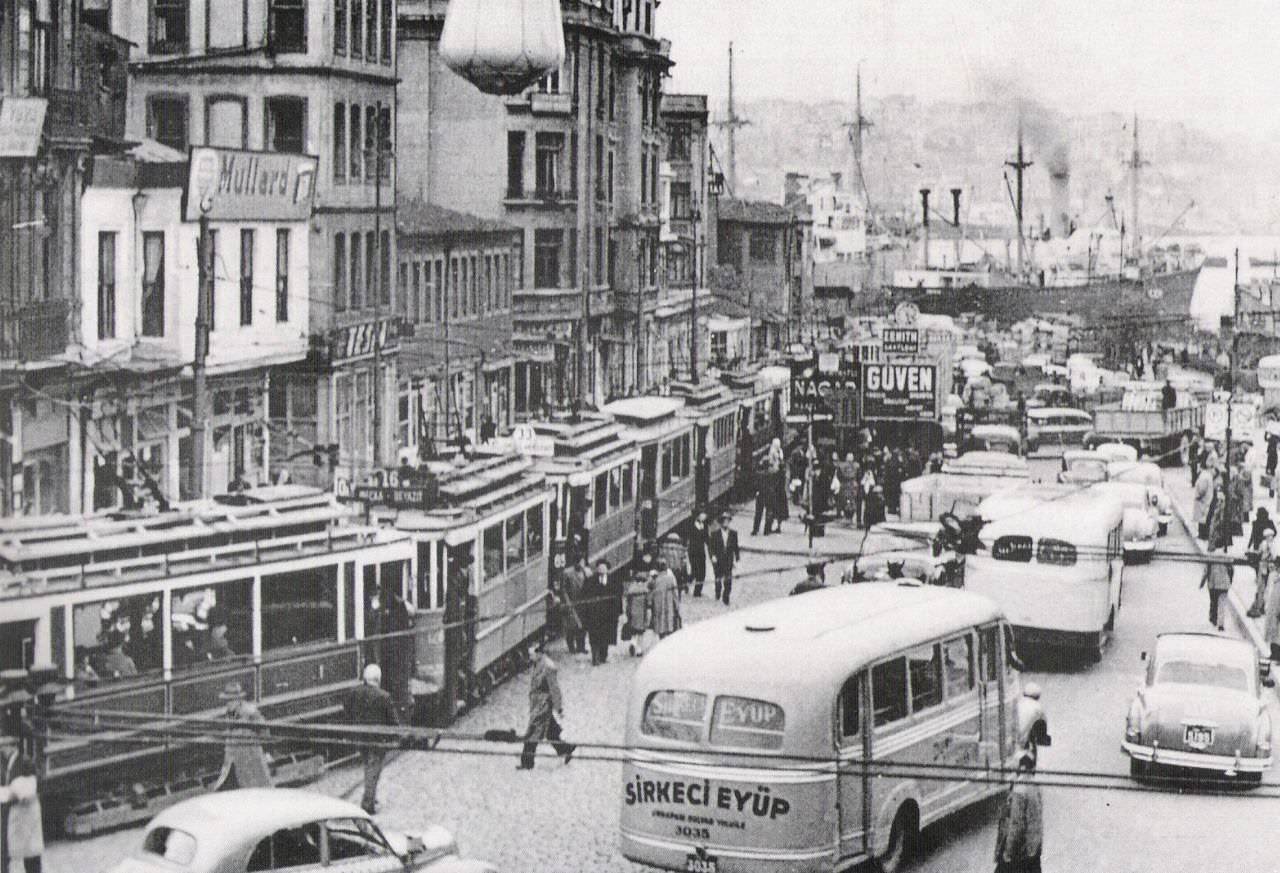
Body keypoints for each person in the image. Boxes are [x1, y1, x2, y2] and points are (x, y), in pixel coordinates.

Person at [342, 663, 398, 814]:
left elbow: (346, 709)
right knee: (373, 770)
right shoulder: (384, 696)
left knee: (368, 766)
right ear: (378, 679)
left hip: (360, 738)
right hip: (377, 741)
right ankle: (368, 804)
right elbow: (393, 721)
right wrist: (395, 736)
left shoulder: (354, 692)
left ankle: (371, 796)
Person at [517, 640, 574, 770]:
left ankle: (527, 763)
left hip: (543, 705)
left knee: (533, 732)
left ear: (539, 653)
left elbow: (555, 689)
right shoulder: (539, 664)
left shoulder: (548, 667)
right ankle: (566, 749)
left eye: (531, 654)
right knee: (550, 731)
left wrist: (558, 708)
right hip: (538, 704)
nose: (529, 657)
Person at [212, 681, 272, 792]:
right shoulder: (230, 714)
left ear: (238, 700)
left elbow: (264, 730)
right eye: (226, 701)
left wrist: (267, 752)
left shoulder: (250, 712)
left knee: (259, 790)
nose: (228, 703)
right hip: (234, 759)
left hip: (252, 758)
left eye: (231, 700)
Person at [0, 729, 43, 873]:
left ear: (12, 746)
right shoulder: (10, 763)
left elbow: (29, 788)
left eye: (4, 746)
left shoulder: (24, 762)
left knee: (31, 856)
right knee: (23, 852)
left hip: (27, 815)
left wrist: (10, 792)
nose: (2, 750)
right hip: (18, 816)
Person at [994, 752, 1043, 873]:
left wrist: (1008, 853)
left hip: (1020, 852)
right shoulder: (1035, 787)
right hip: (1033, 848)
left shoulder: (1019, 790)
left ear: (1022, 768)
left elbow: (1016, 824)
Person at [583, 560, 620, 665]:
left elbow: (617, 597)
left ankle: (603, 655)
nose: (601, 570)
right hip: (594, 615)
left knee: (606, 636)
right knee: (594, 636)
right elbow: (585, 596)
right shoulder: (590, 581)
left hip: (608, 615)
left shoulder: (613, 581)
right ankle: (595, 657)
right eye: (599, 568)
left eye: (604, 568)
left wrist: (617, 612)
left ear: (607, 569)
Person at [709, 511, 741, 606]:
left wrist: (738, 558)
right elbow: (711, 547)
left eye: (727, 521)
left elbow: (736, 547)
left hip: (728, 560)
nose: (726, 523)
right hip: (718, 561)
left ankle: (726, 597)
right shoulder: (715, 534)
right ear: (721, 522)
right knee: (718, 579)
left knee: (728, 580)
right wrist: (712, 556)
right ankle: (717, 593)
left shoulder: (733, 534)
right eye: (724, 521)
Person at [1200, 544, 1234, 632]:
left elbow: (1206, 571)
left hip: (1213, 584)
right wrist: (1230, 581)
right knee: (1222, 604)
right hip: (1224, 585)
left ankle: (1213, 618)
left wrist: (1202, 583)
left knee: (1213, 602)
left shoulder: (1211, 557)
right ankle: (1221, 624)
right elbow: (1231, 570)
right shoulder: (1227, 557)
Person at [558, 560, 587, 655]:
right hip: (570, 603)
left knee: (582, 625)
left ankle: (581, 647)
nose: (581, 564)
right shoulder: (567, 573)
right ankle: (571, 647)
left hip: (582, 602)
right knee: (570, 626)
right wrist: (567, 602)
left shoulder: (585, 571)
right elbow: (563, 589)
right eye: (579, 562)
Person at [648, 561, 681, 638]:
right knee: (669, 624)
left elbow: (650, 592)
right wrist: (677, 605)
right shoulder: (670, 579)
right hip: (669, 606)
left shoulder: (656, 580)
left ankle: (661, 639)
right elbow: (675, 594)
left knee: (660, 627)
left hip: (658, 606)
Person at [1250, 527, 1276, 619]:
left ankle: (1259, 606)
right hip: (1267, 567)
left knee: (1261, 588)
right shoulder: (1269, 544)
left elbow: (1260, 553)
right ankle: (1260, 607)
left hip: (1263, 566)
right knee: (1264, 589)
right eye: (1270, 536)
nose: (1272, 537)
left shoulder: (1264, 544)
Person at [687, 510, 710, 597]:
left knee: (702, 573)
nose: (705, 516)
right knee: (695, 572)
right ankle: (685, 583)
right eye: (703, 514)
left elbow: (707, 539)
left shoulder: (704, 525)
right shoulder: (691, 525)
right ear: (698, 515)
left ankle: (697, 592)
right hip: (693, 552)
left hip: (701, 552)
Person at [1192, 464, 1216, 541]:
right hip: (1206, 499)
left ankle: (1202, 535)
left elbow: (1202, 489)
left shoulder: (1203, 476)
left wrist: (1197, 495)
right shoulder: (1207, 475)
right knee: (1204, 517)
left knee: (1202, 518)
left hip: (1203, 500)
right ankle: (1203, 534)